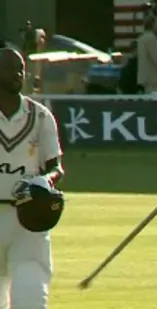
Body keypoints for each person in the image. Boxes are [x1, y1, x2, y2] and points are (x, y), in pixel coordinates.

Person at [0, 48, 65, 309]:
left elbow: (56, 167)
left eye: (21, 69)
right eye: (10, 68)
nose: (18, 74)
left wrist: (44, 183)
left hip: (27, 218)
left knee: (30, 298)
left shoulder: (40, 117)